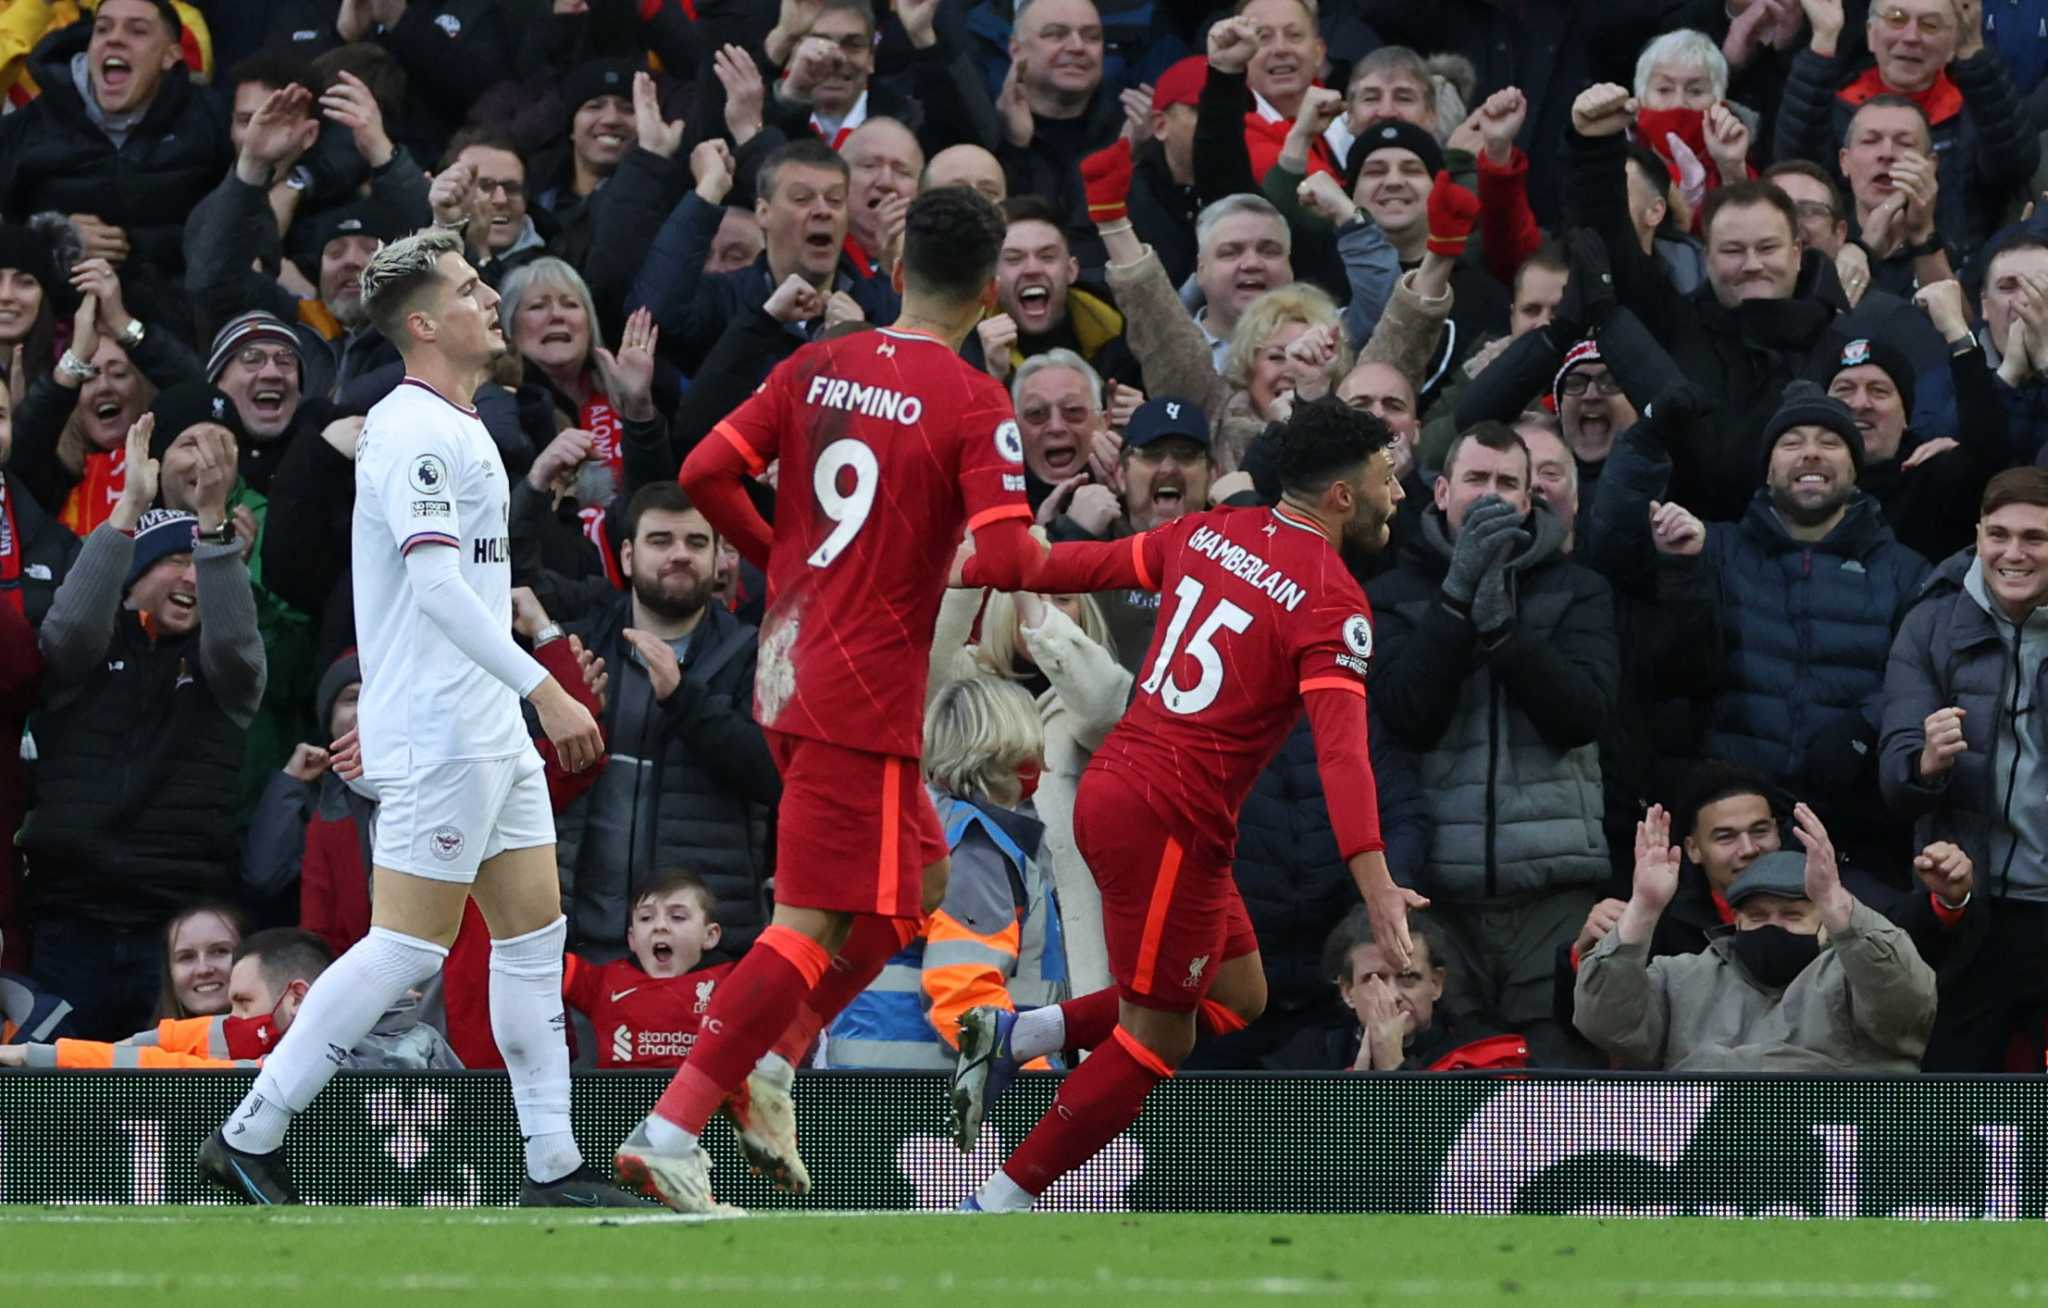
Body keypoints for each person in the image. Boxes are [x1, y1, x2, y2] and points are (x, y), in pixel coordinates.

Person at [616, 184, 1047, 1212]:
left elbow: (707, 468)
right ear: (986, 288)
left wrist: (787, 564)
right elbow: (1001, 555)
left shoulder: (814, 366)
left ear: (895, 270)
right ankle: (669, 1126)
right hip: (861, 689)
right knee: (808, 919)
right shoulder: (973, 401)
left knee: (919, 890)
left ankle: (776, 1060)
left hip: (792, 663)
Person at [201, 228, 621, 1208]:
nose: (492, 302)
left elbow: (466, 586)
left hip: (482, 727)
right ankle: (249, 1133)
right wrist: (545, 687)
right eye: (473, 290)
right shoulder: (410, 430)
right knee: (407, 947)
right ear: (425, 323)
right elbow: (436, 592)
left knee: (529, 942)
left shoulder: (462, 421)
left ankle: (550, 1162)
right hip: (439, 726)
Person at [950, 394, 1421, 1210]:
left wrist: (985, 560)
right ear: (1343, 495)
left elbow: (1072, 567)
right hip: (1168, 816)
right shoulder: (1332, 599)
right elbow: (1342, 757)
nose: (1399, 496)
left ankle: (1023, 1033)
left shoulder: (1210, 530)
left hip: (1131, 794)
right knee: (1158, 1038)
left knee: (1240, 995)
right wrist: (1377, 888)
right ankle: (996, 1201)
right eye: (1388, 478)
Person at [1589, 381, 1930, 863]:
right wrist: (1646, 444)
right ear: (1767, 470)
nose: (1811, 454)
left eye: (1830, 442)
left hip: (1850, 827)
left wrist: (1864, 729)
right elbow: (1613, 551)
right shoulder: (1714, 549)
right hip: (1728, 829)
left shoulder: (1906, 572)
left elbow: (1919, 676)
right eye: (1792, 443)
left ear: (1856, 468)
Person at [1364, 424, 1618, 1065]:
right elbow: (1405, 717)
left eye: (1508, 483)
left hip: (1554, 891)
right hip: (1440, 894)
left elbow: (1581, 716)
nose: (1490, 496)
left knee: (1563, 1079)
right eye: (1476, 480)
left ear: (1530, 501)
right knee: (1448, 1076)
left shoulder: (1579, 588)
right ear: (1442, 490)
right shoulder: (1392, 596)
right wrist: (1456, 603)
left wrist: (1504, 629)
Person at [22, 421, 263, 1042]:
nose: (190, 579)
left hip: (177, 925)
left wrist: (215, 534)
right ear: (132, 576)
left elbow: (236, 642)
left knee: (177, 1094)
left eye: (200, 565)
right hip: (72, 920)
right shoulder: (84, 658)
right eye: (174, 562)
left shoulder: (224, 670)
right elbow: (68, 628)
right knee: (65, 1097)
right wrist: (129, 506)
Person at [546, 483, 780, 961]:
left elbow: (773, 775)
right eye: (660, 541)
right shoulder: (581, 650)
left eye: (696, 543)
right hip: (584, 945)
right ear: (628, 556)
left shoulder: (755, 653)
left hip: (708, 949)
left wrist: (682, 697)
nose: (679, 555)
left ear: (719, 559)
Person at [1881, 467, 2048, 1069]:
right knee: (1952, 1106)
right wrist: (1924, 763)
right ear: (1976, 535)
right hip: (1969, 912)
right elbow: (1895, 782)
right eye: (1997, 534)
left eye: (2035, 538)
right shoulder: (1930, 623)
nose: (2013, 553)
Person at [1575, 805, 1938, 1073]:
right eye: (1758, 916)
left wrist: (1839, 905)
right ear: (1735, 920)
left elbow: (1906, 1007)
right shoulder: (1681, 977)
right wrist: (1643, 909)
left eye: (1793, 915)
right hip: (1707, 1158)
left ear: (1825, 922)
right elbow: (1605, 1025)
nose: (1773, 926)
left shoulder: (1855, 973)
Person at [826, 675, 1067, 1070]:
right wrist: (1040, 1089)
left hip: (869, 1075)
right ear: (1009, 747)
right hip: (929, 1093)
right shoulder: (974, 847)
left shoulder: (918, 826)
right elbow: (964, 993)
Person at [1772, 0, 2036, 260]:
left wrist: (1974, 52)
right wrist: (1824, 39)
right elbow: (1796, 167)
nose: (1911, 37)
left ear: (1952, 45)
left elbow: (2014, 166)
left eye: (1930, 25)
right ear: (1870, 34)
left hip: (1957, 272)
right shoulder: (1834, 100)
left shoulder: (1975, 108)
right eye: (1897, 18)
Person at [563, 869, 735, 1069]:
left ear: (710, 935)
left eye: (677, 917)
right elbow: (542, 963)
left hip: (699, 1096)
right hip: (622, 1097)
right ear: (632, 938)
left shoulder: (733, 981)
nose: (660, 926)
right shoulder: (603, 980)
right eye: (646, 918)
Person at [1324, 904, 1528, 1072]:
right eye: (1374, 979)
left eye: (1408, 977)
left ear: (1436, 983)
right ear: (1347, 991)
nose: (1393, 996)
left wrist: (1395, 1066)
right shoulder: (1311, 1055)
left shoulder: (1488, 1059)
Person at [155, 903, 244, 1022]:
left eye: (220, 951)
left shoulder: (277, 1039)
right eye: (186, 957)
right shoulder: (147, 1041)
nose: (203, 969)